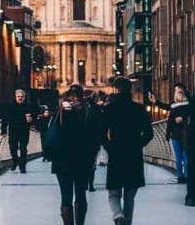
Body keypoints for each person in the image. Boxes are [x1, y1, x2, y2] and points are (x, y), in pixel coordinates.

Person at [48, 84, 101, 225]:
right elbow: (96, 135)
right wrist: (92, 155)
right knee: (80, 196)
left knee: (66, 197)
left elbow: (50, 134)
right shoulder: (87, 112)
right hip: (82, 161)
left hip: (62, 161)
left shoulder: (59, 113)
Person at [103, 77, 153, 225]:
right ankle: (127, 221)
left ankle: (118, 216)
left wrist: (109, 146)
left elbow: (101, 133)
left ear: (116, 89)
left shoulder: (109, 109)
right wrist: (138, 144)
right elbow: (149, 133)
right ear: (129, 90)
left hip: (116, 153)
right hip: (133, 154)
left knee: (114, 192)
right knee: (130, 194)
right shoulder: (138, 109)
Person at [149, 83, 191, 183]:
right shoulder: (173, 104)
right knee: (178, 156)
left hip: (186, 133)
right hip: (175, 134)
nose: (178, 93)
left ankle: (187, 176)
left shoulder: (189, 104)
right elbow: (166, 107)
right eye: (176, 91)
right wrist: (155, 102)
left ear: (184, 92)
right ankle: (180, 176)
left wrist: (183, 118)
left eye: (180, 91)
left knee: (185, 155)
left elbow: (192, 113)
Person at [1, 89, 35, 173]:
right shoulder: (10, 106)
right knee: (13, 148)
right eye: (18, 96)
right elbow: (4, 119)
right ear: (15, 97)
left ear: (24, 97)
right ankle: (15, 160)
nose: (20, 98)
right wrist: (4, 131)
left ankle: (22, 165)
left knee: (23, 148)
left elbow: (34, 117)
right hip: (13, 131)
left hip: (24, 131)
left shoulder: (29, 106)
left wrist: (31, 119)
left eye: (22, 96)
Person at [87, 90, 107, 191]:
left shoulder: (84, 108)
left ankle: (85, 182)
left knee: (84, 162)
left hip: (83, 140)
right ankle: (90, 184)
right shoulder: (98, 109)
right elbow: (101, 125)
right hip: (94, 140)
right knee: (92, 161)